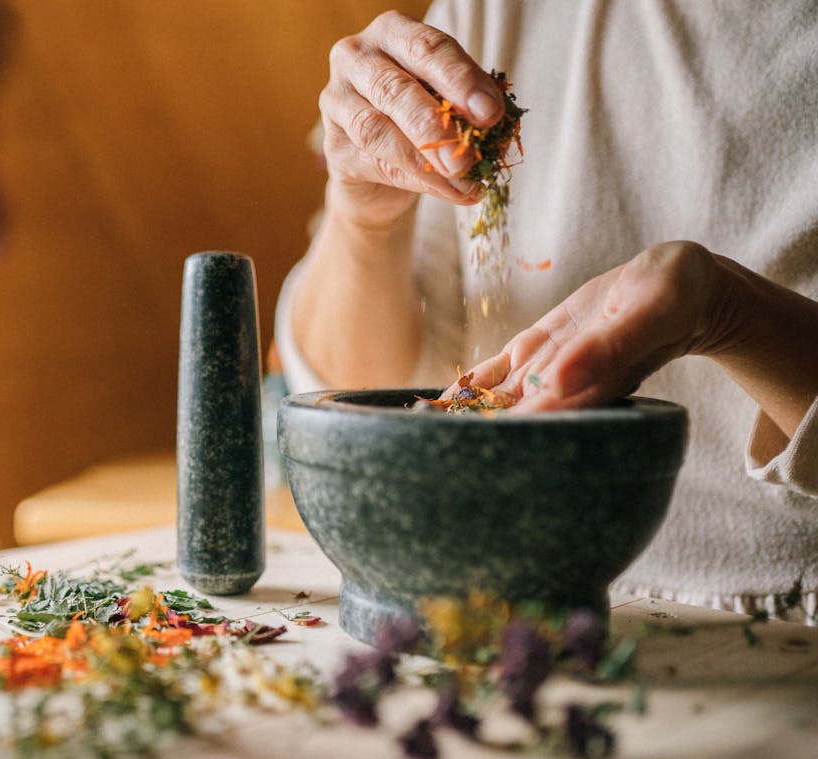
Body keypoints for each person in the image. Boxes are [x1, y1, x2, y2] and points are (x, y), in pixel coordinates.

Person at [276, 1, 818, 623]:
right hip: (501, 602)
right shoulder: (488, 12)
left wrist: (730, 313)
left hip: (785, 616)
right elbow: (360, 385)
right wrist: (364, 215)